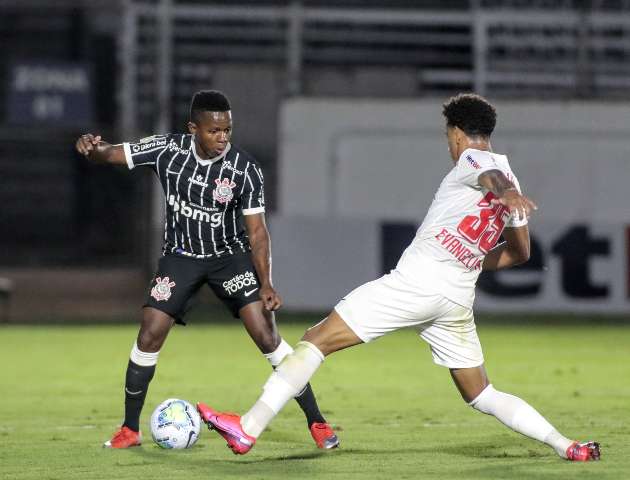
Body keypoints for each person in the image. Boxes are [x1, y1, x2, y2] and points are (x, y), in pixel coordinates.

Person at [197, 93, 600, 461]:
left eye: (449, 136)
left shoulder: (475, 163)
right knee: (481, 393)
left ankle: (247, 428)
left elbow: (487, 178)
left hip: (416, 284)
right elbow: (520, 253)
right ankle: (567, 446)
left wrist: (503, 193)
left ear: (458, 133)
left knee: (315, 340)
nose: (449, 144)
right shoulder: (513, 180)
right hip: (456, 298)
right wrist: (477, 252)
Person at [75, 90, 339, 450]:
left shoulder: (244, 169)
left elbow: (258, 232)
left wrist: (267, 284)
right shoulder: (168, 149)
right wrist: (93, 148)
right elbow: (113, 153)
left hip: (229, 258)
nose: (223, 138)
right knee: (150, 331)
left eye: (227, 130)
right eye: (215, 131)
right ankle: (129, 429)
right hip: (180, 257)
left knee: (266, 334)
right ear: (193, 129)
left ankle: (318, 422)